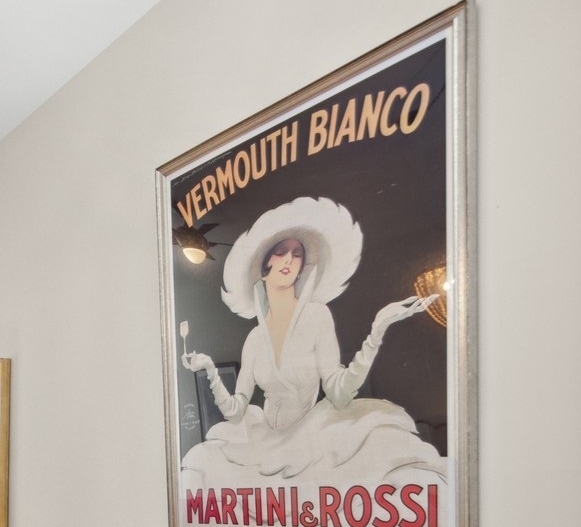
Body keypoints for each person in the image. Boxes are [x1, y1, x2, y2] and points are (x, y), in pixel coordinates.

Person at [179, 196, 444, 487]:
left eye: (297, 254)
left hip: (311, 439)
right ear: (266, 263)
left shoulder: (317, 316)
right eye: (282, 252)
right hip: (262, 444)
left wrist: (376, 333)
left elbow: (339, 392)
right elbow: (235, 411)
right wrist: (209, 369)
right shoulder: (254, 339)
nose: (290, 260)